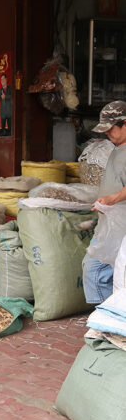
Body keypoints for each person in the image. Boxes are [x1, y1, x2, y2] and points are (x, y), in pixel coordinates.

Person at [83, 100, 126, 304]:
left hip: (122, 228)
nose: (107, 134)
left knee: (95, 270)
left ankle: (106, 320)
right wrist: (104, 205)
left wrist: (113, 198)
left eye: (111, 129)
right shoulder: (117, 148)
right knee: (104, 273)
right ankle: (109, 321)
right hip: (111, 226)